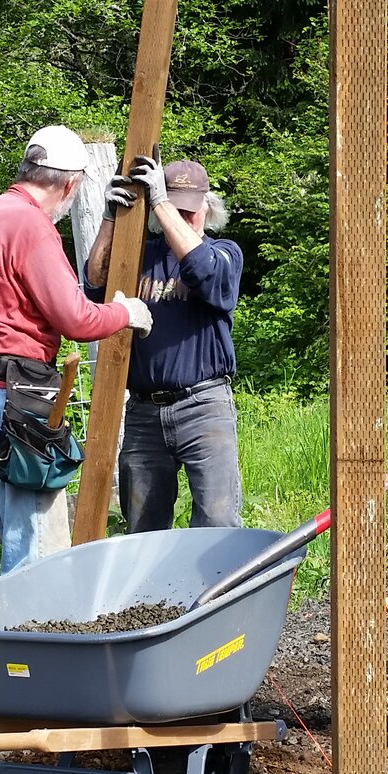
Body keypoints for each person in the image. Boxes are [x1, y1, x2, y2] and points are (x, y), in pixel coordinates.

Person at [0, 126, 153, 574]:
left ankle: (13, 640)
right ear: (71, 184)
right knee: (38, 558)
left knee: (17, 545)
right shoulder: (30, 226)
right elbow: (76, 319)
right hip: (13, 402)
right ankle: (34, 643)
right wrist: (125, 313)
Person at [84, 156, 244, 532]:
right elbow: (95, 285)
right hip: (144, 414)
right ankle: (154, 594)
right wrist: (110, 218)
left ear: (208, 205)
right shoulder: (141, 256)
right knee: (142, 527)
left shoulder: (225, 252)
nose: (185, 216)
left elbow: (205, 273)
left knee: (218, 520)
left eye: (189, 209)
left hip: (204, 406)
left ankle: (219, 593)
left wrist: (160, 202)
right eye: (175, 207)